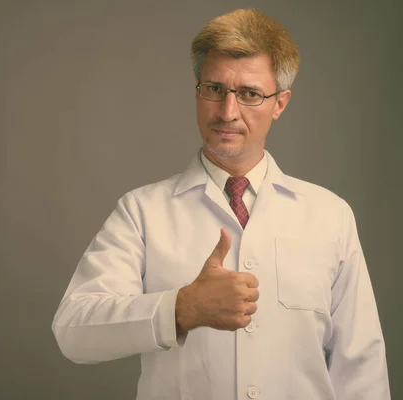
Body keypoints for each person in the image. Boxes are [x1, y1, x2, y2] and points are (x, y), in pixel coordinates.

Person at [51, 8, 390, 400]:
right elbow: (73, 331)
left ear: (280, 103)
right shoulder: (142, 212)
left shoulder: (330, 216)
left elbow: (361, 368)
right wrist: (180, 309)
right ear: (197, 89)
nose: (228, 112)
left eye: (249, 94)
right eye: (214, 89)